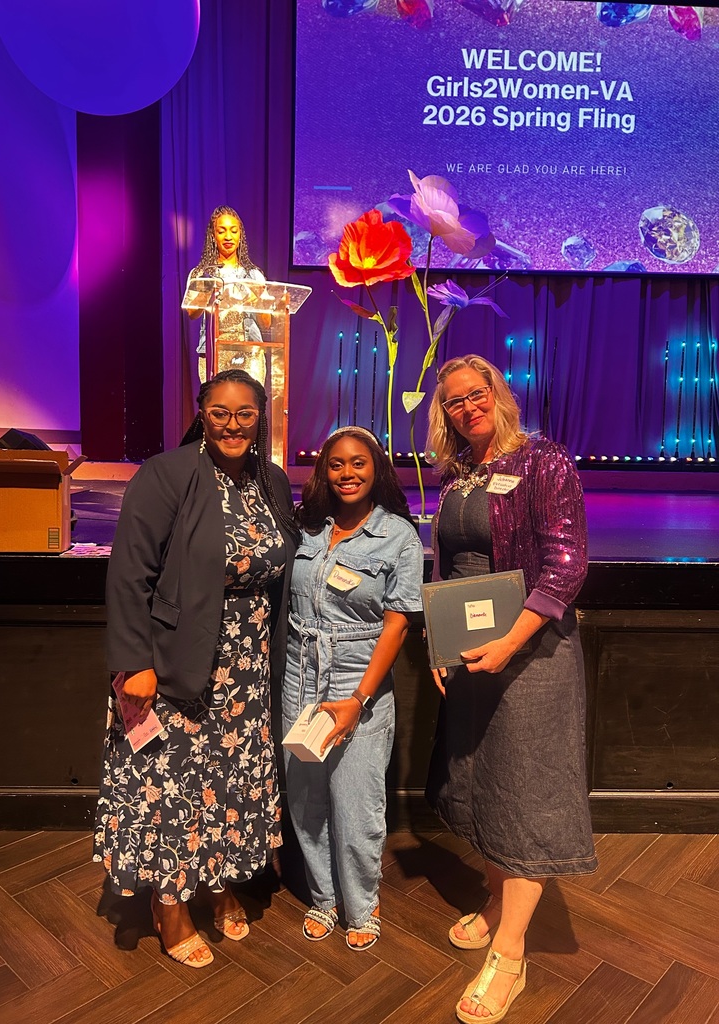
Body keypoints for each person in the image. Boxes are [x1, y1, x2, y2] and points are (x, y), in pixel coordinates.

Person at [94, 368, 298, 968]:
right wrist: (133, 662)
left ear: (262, 416)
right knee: (172, 786)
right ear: (202, 415)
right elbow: (130, 573)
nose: (233, 424)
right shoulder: (168, 473)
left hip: (248, 665)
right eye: (220, 412)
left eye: (246, 413)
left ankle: (218, 880)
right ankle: (171, 905)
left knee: (228, 785)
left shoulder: (273, 480)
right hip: (177, 661)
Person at [424, 355, 597, 1022]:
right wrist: (440, 644)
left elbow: (565, 563)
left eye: (477, 395)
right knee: (485, 783)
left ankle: (510, 954)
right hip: (472, 652)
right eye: (455, 402)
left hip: (529, 654)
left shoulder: (542, 461)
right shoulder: (459, 472)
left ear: (499, 395)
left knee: (524, 790)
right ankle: (496, 900)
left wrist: (511, 641)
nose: (468, 408)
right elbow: (450, 563)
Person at [282, 426, 424, 950]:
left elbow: (398, 622)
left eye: (358, 463)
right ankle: (323, 897)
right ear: (323, 471)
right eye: (336, 464)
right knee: (306, 799)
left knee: (356, 803)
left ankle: (362, 905)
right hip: (300, 675)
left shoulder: (398, 536)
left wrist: (359, 698)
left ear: (377, 468)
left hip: (356, 679)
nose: (347, 474)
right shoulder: (306, 530)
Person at [185, 206, 267, 384]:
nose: (228, 236)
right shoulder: (201, 274)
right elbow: (192, 313)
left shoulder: (254, 275)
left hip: (249, 353)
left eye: (233, 231)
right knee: (217, 408)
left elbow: (267, 322)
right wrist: (208, 290)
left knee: (249, 408)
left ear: (240, 236)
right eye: (221, 231)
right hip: (215, 353)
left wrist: (258, 298)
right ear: (213, 236)